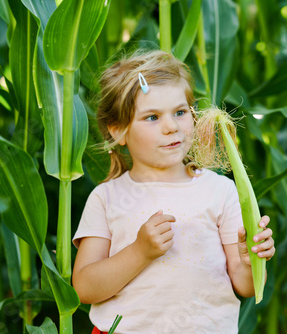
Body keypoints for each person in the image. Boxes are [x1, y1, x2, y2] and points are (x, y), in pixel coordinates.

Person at [72, 50, 275, 334]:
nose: (171, 127)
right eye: (152, 117)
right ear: (117, 130)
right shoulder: (106, 198)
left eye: (180, 112)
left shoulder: (220, 191)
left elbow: (246, 286)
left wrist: (249, 259)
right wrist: (139, 252)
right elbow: (84, 288)